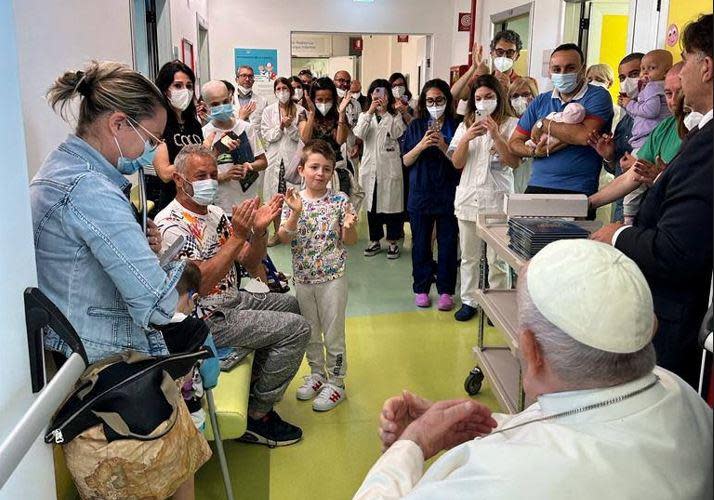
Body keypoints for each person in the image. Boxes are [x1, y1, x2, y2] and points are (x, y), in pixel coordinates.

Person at [355, 239, 713, 499]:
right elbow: (584, 424)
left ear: (531, 350)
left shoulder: (499, 478)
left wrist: (413, 443)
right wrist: (461, 423)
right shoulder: (681, 394)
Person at [31, 61, 202, 500]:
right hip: (104, 368)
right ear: (118, 123)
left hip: (86, 352)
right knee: (169, 476)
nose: (154, 150)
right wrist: (177, 270)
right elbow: (156, 302)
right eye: (151, 139)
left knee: (180, 468)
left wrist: (136, 243)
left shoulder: (64, 167)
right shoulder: (89, 188)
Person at [155, 144, 311, 446]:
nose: (210, 181)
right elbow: (195, 288)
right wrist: (239, 235)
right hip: (204, 317)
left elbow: (250, 263)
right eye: (201, 175)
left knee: (292, 304)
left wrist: (259, 231)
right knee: (297, 329)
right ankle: (258, 416)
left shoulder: (214, 213)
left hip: (231, 299)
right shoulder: (170, 226)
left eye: (214, 174)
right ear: (179, 179)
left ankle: (257, 385)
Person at [591, 14, 713, 388]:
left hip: (679, 318)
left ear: (706, 67)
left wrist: (617, 235)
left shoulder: (708, 146)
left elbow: (676, 250)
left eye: (686, 58)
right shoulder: (696, 133)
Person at [278, 140, 358, 411]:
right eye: (314, 167)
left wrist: (348, 227)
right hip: (303, 278)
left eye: (326, 169)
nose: (320, 173)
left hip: (333, 278)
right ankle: (317, 373)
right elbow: (282, 238)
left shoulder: (339, 200)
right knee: (310, 331)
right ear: (301, 169)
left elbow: (350, 240)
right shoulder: (293, 200)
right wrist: (295, 214)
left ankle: (336, 381)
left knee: (333, 332)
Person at [508, 43, 614, 217]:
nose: (563, 73)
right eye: (557, 69)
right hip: (537, 187)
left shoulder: (598, 96)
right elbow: (514, 143)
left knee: (570, 244)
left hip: (577, 190)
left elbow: (584, 135)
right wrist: (534, 152)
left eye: (570, 68)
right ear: (550, 71)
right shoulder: (541, 101)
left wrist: (544, 124)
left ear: (583, 70)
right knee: (529, 242)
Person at [448, 75, 521, 322]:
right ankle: (469, 300)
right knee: (469, 255)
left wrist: (497, 136)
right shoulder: (464, 126)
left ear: (499, 98)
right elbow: (456, 162)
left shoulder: (513, 125)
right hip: (469, 199)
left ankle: (497, 304)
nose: (483, 102)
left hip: (498, 201)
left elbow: (514, 162)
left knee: (498, 257)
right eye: (478, 98)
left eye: (489, 97)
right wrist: (468, 137)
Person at [589, 62, 686, 212]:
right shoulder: (664, 127)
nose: (673, 101)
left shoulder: (701, 128)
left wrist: (660, 177)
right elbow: (628, 177)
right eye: (668, 93)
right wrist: (587, 204)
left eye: (680, 92)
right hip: (634, 213)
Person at [402, 79, 460, 311]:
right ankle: (422, 288)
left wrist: (444, 146)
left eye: (439, 100)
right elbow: (406, 160)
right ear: (423, 103)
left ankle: (446, 290)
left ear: (447, 101)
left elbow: (460, 161)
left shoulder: (457, 125)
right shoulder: (416, 126)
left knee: (447, 243)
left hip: (448, 192)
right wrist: (422, 145)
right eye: (430, 101)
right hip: (421, 193)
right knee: (421, 244)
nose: (435, 104)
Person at [587, 52, 644, 222]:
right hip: (620, 205)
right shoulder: (625, 121)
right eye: (623, 77)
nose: (628, 81)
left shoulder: (659, 121)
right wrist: (609, 156)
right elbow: (616, 169)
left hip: (643, 209)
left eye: (634, 74)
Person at [353, 79, 407, 259]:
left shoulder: (394, 116)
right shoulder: (364, 116)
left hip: (389, 168)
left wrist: (386, 113)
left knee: (391, 207)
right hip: (370, 170)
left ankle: (392, 242)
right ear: (370, 95)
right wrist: (369, 113)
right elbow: (359, 134)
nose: (378, 97)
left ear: (388, 97)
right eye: (375, 93)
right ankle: (374, 240)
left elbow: (398, 133)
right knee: (372, 206)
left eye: (382, 94)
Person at [619, 49, 673, 224]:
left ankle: (628, 219)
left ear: (666, 71)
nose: (645, 74)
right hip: (643, 146)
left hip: (646, 146)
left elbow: (651, 111)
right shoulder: (652, 91)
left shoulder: (653, 87)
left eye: (651, 68)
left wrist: (630, 104)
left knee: (631, 184)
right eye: (643, 69)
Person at [201, 80, 267, 213]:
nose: (222, 107)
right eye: (215, 104)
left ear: (231, 98)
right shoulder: (204, 133)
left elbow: (263, 162)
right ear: (206, 106)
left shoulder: (246, 128)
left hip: (248, 204)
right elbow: (201, 177)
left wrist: (249, 166)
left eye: (225, 102)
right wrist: (224, 176)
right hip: (220, 207)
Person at [300, 76, 364, 210]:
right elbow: (306, 139)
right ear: (313, 99)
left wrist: (341, 113)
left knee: (339, 215)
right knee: (314, 213)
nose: (324, 103)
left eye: (328, 100)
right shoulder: (304, 115)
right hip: (313, 171)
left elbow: (340, 140)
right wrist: (312, 113)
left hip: (336, 171)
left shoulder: (338, 116)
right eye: (319, 100)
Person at [151, 60, 206, 215]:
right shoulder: (158, 125)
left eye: (189, 86)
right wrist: (196, 157)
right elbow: (165, 174)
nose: (185, 91)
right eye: (178, 86)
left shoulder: (194, 124)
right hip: (172, 203)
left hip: (198, 200)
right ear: (164, 89)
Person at [261, 77, 306, 246]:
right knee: (275, 197)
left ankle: (291, 231)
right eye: (278, 89)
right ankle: (277, 233)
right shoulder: (268, 111)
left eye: (285, 88)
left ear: (291, 91)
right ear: (274, 92)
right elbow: (267, 136)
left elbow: (301, 136)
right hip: (274, 159)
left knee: (293, 196)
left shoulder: (300, 111)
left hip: (293, 158)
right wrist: (280, 126)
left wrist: (289, 126)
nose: (282, 92)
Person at [452, 31, 524, 103]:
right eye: (500, 51)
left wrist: (509, 91)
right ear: (492, 54)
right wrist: (473, 68)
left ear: (517, 56)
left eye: (510, 52)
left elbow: (524, 111)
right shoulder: (482, 80)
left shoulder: (522, 84)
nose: (504, 56)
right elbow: (455, 94)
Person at [507, 77, 539, 193]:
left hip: (533, 181)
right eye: (515, 96)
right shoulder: (506, 124)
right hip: (509, 183)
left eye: (526, 94)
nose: (520, 99)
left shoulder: (542, 123)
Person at [333, 70, 363, 174]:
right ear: (334, 82)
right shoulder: (329, 103)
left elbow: (360, 128)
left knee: (352, 183)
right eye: (341, 81)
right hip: (335, 151)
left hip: (351, 150)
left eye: (348, 81)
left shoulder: (356, 104)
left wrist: (357, 145)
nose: (344, 84)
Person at [234, 65, 268, 142]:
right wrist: (241, 117)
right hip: (235, 143)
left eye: (250, 76)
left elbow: (265, 127)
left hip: (256, 144)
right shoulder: (229, 100)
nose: (247, 79)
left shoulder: (262, 101)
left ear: (253, 80)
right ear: (236, 79)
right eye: (243, 75)